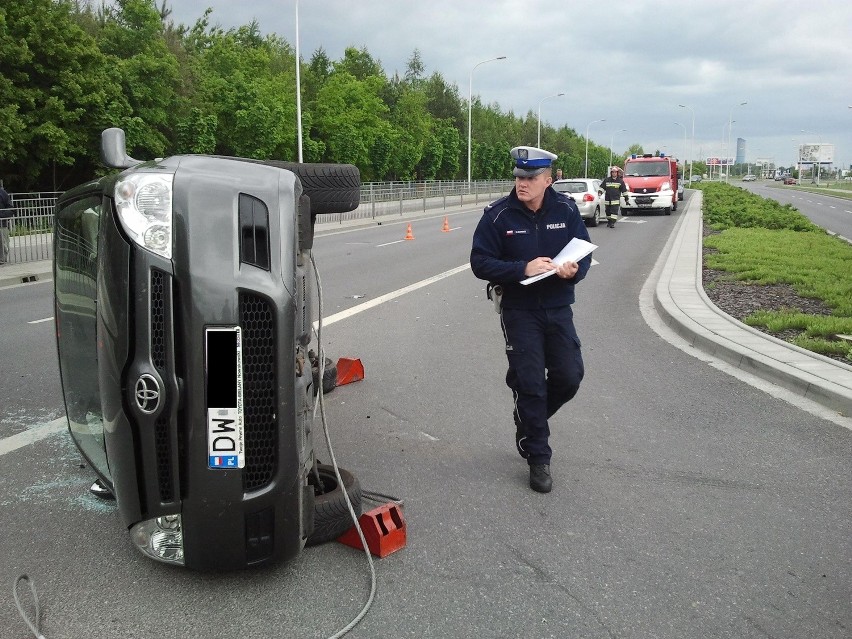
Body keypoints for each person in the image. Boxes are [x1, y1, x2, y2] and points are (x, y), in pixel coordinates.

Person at [470, 146, 592, 493]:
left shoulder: (565, 209)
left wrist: (573, 271)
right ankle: (538, 455)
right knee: (531, 384)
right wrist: (522, 268)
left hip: (557, 307)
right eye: (518, 177)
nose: (522, 183)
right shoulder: (499, 215)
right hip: (519, 310)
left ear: (548, 180)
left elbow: (583, 251)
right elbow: (480, 262)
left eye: (530, 178)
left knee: (570, 376)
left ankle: (527, 418)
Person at [0, 182, 15, 264]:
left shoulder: (2, 193)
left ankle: (2, 258)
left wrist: (1, 215)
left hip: (1, 224)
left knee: (3, 242)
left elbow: (11, 209)